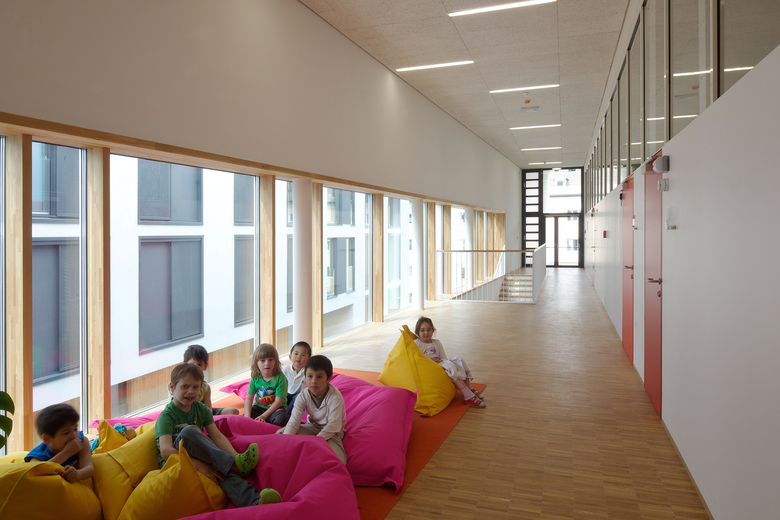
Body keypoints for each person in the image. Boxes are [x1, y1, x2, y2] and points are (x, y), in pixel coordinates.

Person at [156, 363, 278, 508]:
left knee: (222, 469)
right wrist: (199, 465)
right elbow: (166, 452)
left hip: (196, 454)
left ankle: (255, 501)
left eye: (195, 387)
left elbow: (217, 436)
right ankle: (232, 464)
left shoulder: (201, 409)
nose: (191, 391)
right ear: (172, 387)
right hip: (174, 460)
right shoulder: (167, 416)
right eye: (185, 386)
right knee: (189, 431)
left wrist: (235, 457)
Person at [279, 355, 347, 464]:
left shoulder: (335, 397)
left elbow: (334, 426)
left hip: (332, 433)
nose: (313, 381)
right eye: (310, 376)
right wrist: (286, 441)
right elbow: (294, 421)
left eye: (319, 377)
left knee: (339, 460)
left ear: (328, 378)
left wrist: (315, 441)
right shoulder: (303, 395)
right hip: (312, 428)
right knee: (281, 433)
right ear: (305, 377)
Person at [414, 316, 486, 408]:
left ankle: (470, 388)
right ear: (417, 332)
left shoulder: (437, 342)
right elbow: (418, 360)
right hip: (429, 368)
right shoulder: (416, 344)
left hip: (441, 364)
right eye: (422, 330)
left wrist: (440, 361)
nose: (426, 333)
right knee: (451, 367)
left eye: (429, 330)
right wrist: (432, 362)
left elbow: (444, 358)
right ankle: (468, 396)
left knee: (459, 359)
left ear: (433, 331)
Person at [25, 403, 94, 483]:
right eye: (66, 433)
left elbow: (89, 468)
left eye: (75, 429)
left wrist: (77, 474)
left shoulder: (81, 441)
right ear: (47, 438)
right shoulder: (38, 455)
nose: (74, 435)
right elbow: (35, 472)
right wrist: (66, 453)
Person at [183, 344, 240, 416]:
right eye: (192, 364)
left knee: (233, 411)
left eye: (199, 365)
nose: (196, 368)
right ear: (184, 365)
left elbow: (208, 408)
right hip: (186, 414)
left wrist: (208, 419)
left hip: (203, 413)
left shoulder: (205, 387)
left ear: (205, 366)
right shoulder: (181, 384)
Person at [244, 343, 289, 427]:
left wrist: (264, 416)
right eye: (262, 360)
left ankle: (267, 424)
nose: (267, 363)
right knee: (243, 418)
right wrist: (247, 416)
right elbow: (249, 399)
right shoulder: (255, 377)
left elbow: (278, 402)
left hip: (276, 409)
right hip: (259, 407)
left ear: (276, 361)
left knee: (281, 419)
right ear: (256, 363)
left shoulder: (280, 378)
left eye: (270, 360)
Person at [282, 341, 311, 415]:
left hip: (299, 395)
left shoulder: (308, 371)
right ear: (290, 357)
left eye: (303, 355)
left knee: (298, 398)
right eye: (296, 354)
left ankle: (287, 414)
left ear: (308, 359)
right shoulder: (285, 369)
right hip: (286, 394)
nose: (299, 357)